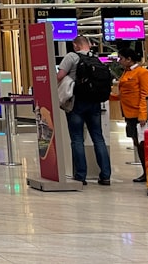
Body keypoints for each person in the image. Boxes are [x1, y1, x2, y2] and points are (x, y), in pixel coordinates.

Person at [56, 35, 111, 186]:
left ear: (75, 45)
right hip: (94, 103)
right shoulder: (96, 58)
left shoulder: (71, 57)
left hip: (77, 102)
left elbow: (60, 76)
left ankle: (81, 175)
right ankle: (105, 176)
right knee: (98, 138)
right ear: (88, 45)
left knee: (77, 139)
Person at [113, 48, 148, 182]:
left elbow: (146, 95)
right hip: (129, 114)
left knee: (145, 145)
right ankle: (146, 172)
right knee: (138, 144)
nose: (119, 61)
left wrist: (143, 114)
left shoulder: (143, 73)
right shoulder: (126, 73)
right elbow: (124, 94)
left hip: (140, 115)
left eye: (121, 58)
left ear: (129, 59)